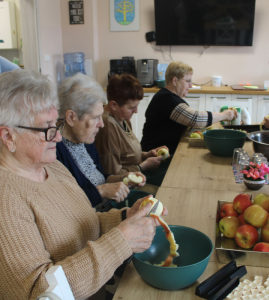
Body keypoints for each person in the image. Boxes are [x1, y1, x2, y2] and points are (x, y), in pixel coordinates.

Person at [0, 69, 167, 300]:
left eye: (55, 124)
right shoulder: (5, 200)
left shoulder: (52, 167)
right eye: (47, 128)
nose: (58, 137)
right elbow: (39, 293)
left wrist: (126, 216)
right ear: (8, 136)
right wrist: (121, 241)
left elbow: (83, 221)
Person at [57, 73, 147, 210]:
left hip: (107, 208)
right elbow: (63, 205)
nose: (101, 124)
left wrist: (123, 178)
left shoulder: (85, 138)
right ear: (71, 117)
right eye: (96, 117)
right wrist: (101, 191)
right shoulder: (55, 152)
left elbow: (99, 177)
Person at [140, 61, 237, 154]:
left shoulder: (169, 97)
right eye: (188, 81)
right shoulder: (166, 99)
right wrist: (224, 115)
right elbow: (195, 118)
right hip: (154, 157)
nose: (190, 86)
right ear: (175, 80)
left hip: (164, 153)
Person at [94, 74, 169, 184]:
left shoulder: (122, 118)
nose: (136, 111)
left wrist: (146, 155)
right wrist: (143, 166)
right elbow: (112, 174)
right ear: (114, 105)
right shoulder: (108, 125)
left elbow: (125, 155)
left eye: (137, 105)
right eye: (131, 107)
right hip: (124, 187)